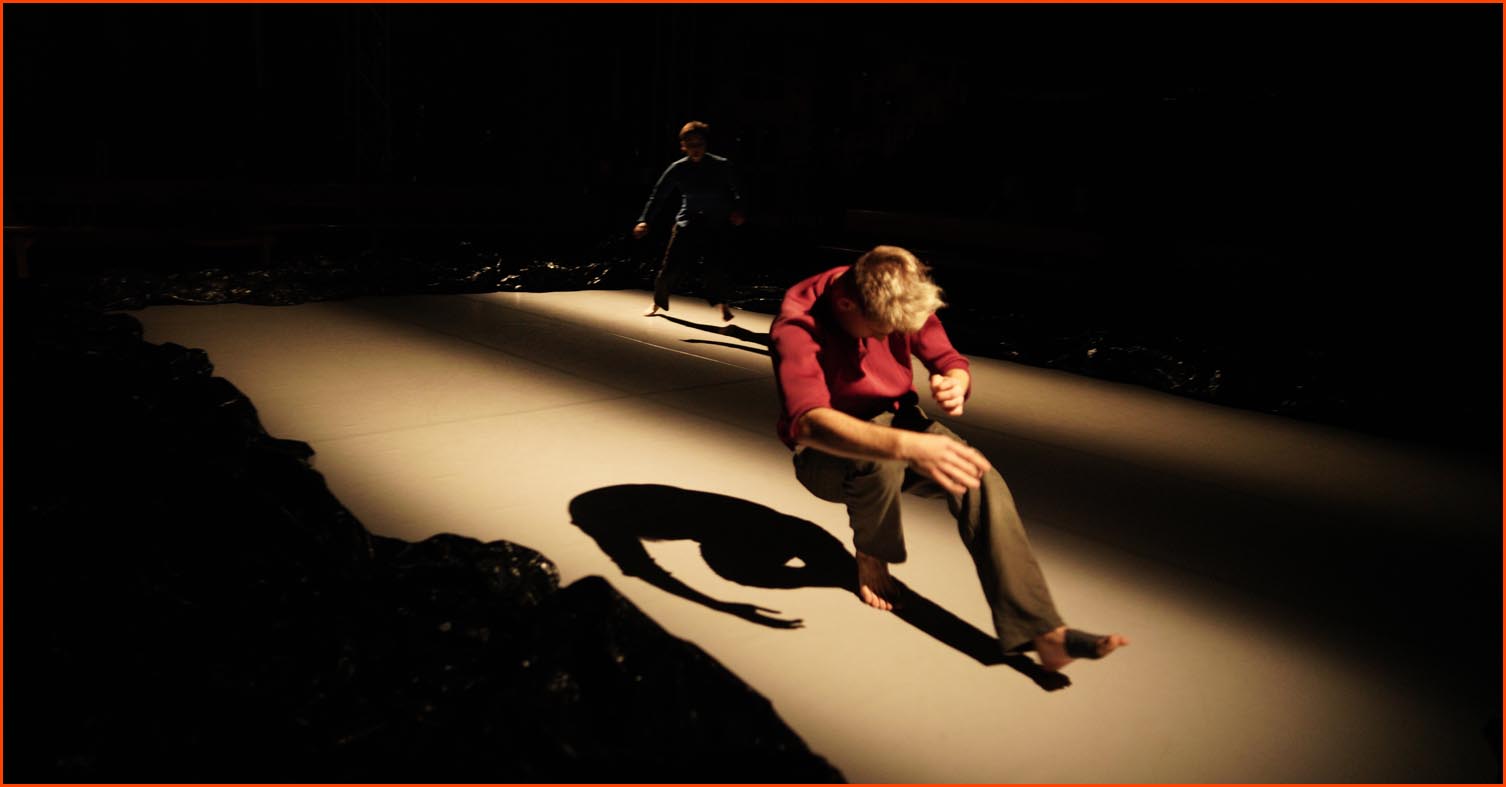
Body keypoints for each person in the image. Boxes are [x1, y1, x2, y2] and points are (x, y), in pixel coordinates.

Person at [769, 245, 1128, 672]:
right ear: (847, 304)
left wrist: (955, 380)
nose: (889, 338)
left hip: (898, 424)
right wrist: (907, 446)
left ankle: (1042, 631)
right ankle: (871, 554)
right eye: (883, 331)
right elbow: (808, 423)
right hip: (825, 457)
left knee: (980, 478)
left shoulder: (895, 291)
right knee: (881, 456)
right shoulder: (798, 323)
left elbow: (947, 358)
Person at [633, 121, 745, 321]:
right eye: (690, 144)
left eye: (699, 144)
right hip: (687, 221)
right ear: (683, 146)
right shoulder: (678, 168)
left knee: (715, 267)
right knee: (670, 266)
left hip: (714, 222)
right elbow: (658, 196)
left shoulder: (721, 165)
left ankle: (723, 305)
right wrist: (645, 220)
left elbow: (738, 191)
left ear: (705, 144)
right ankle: (657, 301)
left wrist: (738, 210)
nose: (695, 149)